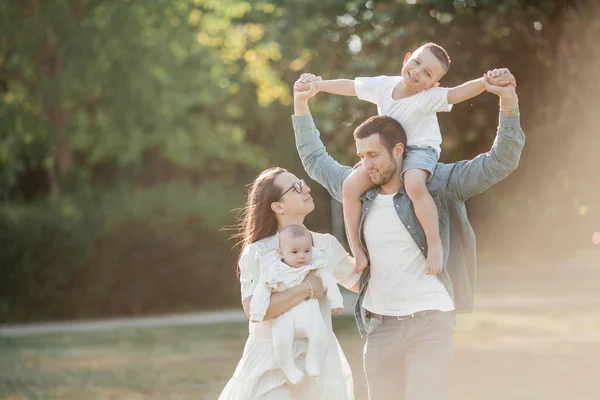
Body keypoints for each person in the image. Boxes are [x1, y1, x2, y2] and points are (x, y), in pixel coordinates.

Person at [292, 70, 524, 400]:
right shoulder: (359, 191)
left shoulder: (437, 184)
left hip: (430, 322)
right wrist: (301, 105)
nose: (365, 164)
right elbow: (316, 160)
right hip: (380, 326)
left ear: (398, 150)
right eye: (361, 156)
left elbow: (499, 162)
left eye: (373, 155)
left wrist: (508, 102)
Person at [294, 43, 515, 276]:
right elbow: (350, 85)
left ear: (433, 84)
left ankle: (434, 244)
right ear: (407, 58)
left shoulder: (428, 97)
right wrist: (317, 86)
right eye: (417, 63)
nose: (418, 72)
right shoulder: (382, 85)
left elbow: (456, 93)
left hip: (420, 150)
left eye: (428, 73)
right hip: (390, 150)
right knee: (349, 186)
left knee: (414, 184)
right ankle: (357, 249)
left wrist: (485, 82)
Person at [218, 168, 361, 400]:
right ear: (278, 206)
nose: (306, 189)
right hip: (270, 360)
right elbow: (256, 310)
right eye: (296, 187)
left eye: (302, 183)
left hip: (319, 359)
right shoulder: (258, 252)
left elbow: (362, 283)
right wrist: (308, 288)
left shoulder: (326, 245)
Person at [249, 224, 345, 384]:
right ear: (281, 253)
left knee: (320, 333)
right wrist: (256, 313)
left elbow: (330, 283)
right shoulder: (274, 270)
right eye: (294, 252)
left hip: (308, 309)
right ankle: (289, 369)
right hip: (284, 314)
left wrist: (336, 302)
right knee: (281, 341)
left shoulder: (315, 266)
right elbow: (262, 290)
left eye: (307, 251)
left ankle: (313, 361)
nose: (302, 256)